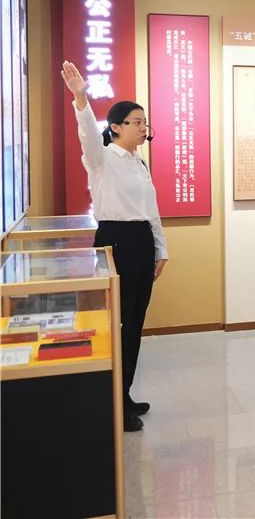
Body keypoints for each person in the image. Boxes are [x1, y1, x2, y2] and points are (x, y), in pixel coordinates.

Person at [61, 61, 168, 433]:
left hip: (140, 241)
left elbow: (151, 210)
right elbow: (88, 135)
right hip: (115, 241)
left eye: (144, 122)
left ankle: (124, 393)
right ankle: (113, 401)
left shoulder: (140, 163)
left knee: (134, 321)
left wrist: (161, 248)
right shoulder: (101, 158)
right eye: (136, 122)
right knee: (117, 323)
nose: (142, 128)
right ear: (116, 127)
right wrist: (80, 97)